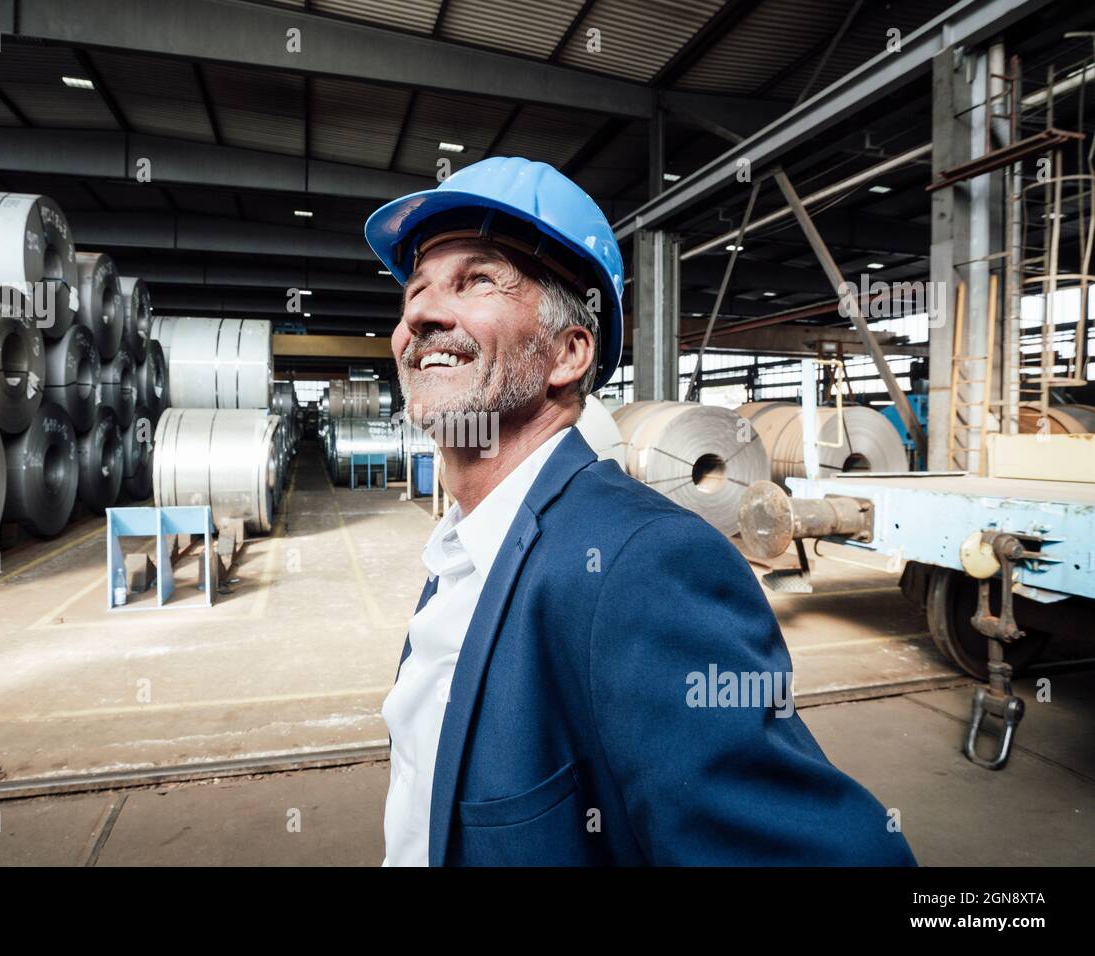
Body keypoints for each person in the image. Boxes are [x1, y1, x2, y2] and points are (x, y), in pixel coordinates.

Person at [364, 156, 916, 867]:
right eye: (415, 289)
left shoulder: (640, 564)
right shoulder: (458, 553)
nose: (419, 314)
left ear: (568, 353)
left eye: (477, 281)